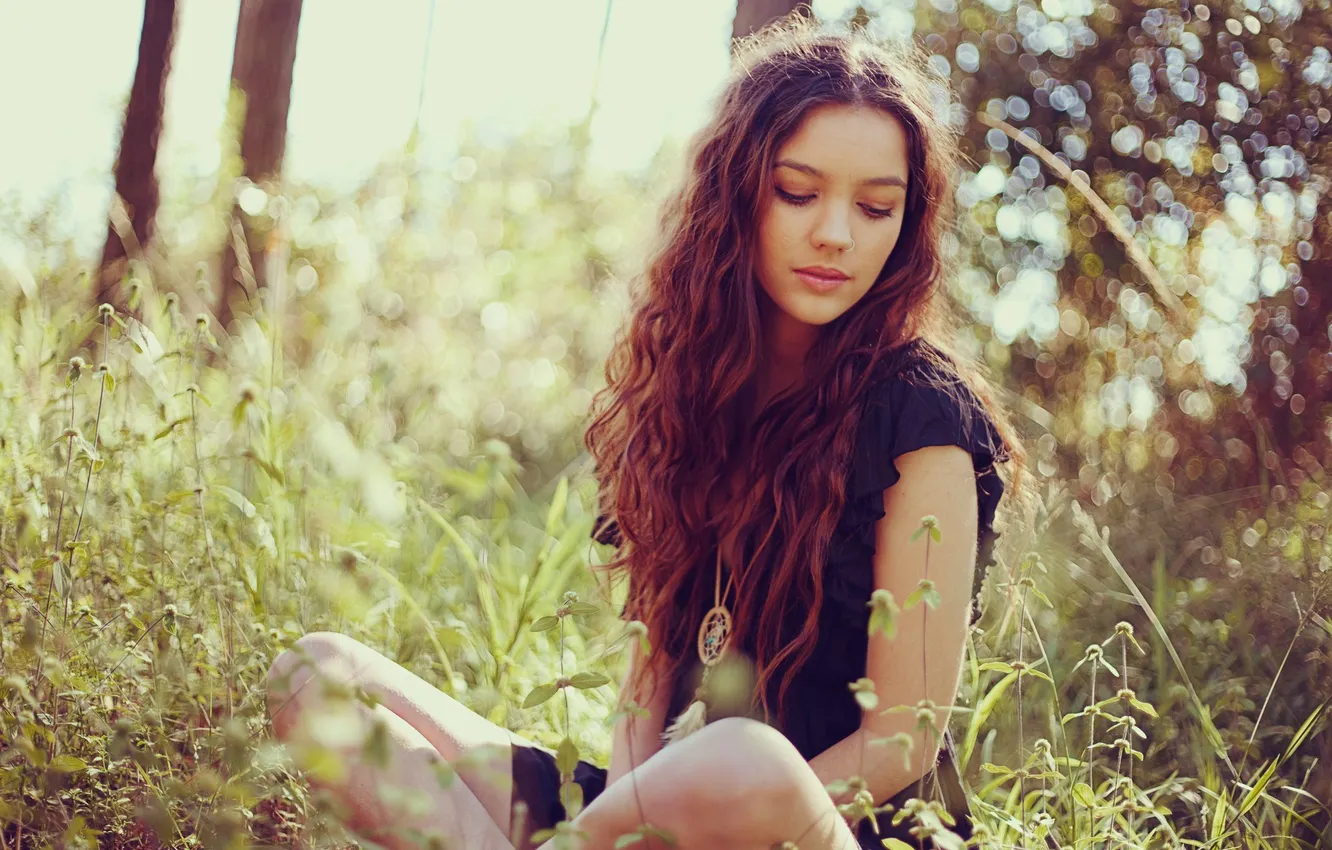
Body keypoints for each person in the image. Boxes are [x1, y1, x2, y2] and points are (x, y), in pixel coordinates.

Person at [265, 13, 1032, 850]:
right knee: (317, 675)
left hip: (825, 823)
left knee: (744, 759)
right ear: (735, 191)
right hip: (637, 822)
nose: (837, 234)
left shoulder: (924, 413)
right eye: (798, 192)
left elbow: (901, 739)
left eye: (876, 207)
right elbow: (647, 691)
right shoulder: (683, 385)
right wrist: (626, 820)